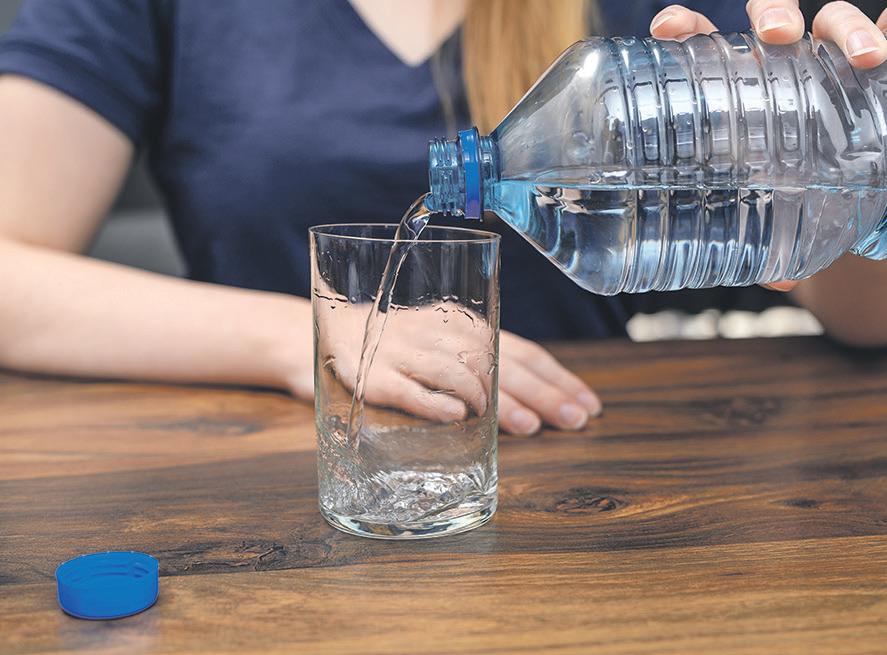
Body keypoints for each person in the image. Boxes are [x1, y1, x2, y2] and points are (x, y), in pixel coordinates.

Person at [0, 0, 885, 436]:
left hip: (591, 473)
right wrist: (309, 334)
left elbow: (854, 307)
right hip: (274, 477)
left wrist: (865, 172)